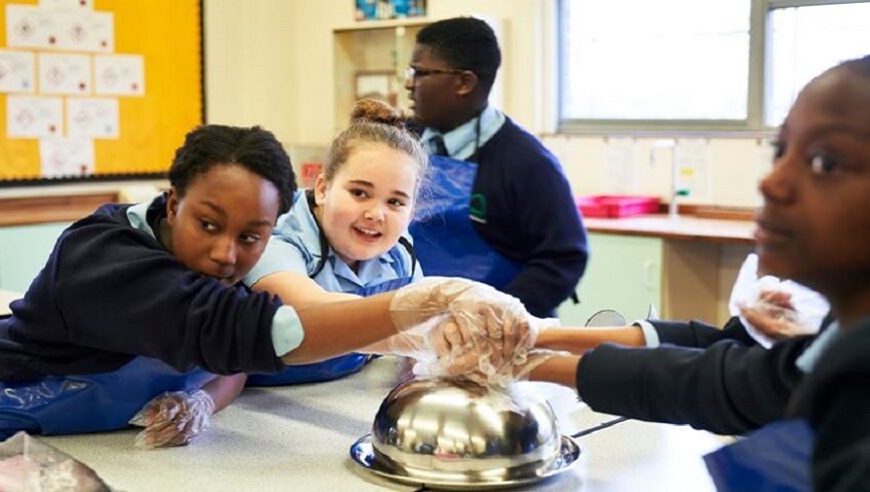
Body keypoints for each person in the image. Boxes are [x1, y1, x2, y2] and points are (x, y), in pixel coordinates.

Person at [0, 124, 534, 446]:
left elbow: (229, 357)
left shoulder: (217, 261)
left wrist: (201, 402)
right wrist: (429, 304)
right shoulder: (104, 258)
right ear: (174, 200)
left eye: (252, 236)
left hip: (105, 444)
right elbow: (263, 330)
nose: (227, 254)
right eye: (208, 224)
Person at [527, 56, 870, 491]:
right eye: (780, 151)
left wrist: (537, 357)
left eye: (824, 162)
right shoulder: (840, 339)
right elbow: (727, 373)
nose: (771, 183)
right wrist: (536, 346)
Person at [405, 16, 589, 318]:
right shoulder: (403, 142)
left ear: (464, 82)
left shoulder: (528, 164)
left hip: (498, 337)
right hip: (412, 326)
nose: (409, 84)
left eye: (421, 72)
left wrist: (491, 316)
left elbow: (563, 259)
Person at [241, 98, 428, 386]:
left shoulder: (400, 252)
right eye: (359, 193)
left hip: (337, 392)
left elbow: (420, 343)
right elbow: (312, 312)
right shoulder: (275, 230)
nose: (375, 214)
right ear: (323, 188)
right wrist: (428, 329)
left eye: (395, 201)